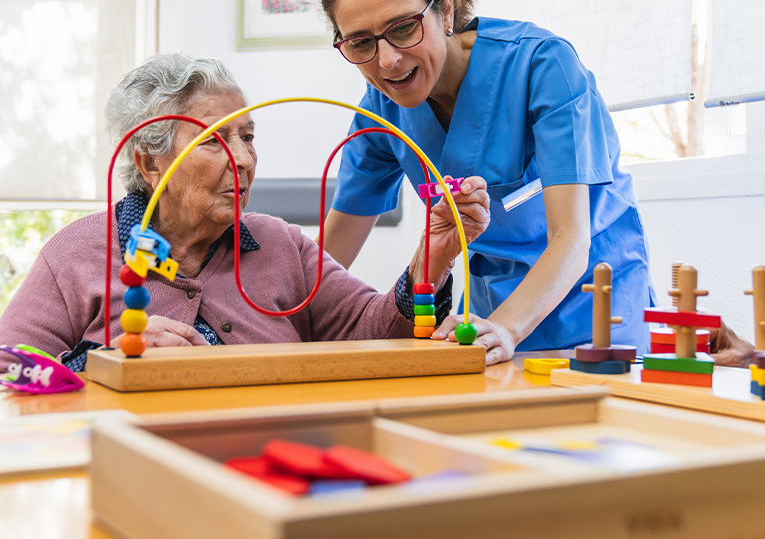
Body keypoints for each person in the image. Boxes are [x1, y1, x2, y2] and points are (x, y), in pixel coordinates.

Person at [0, 54, 489, 369]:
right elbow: (10, 372)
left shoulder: (282, 245)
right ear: (150, 163)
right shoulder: (75, 254)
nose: (244, 158)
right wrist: (103, 360)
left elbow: (376, 332)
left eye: (248, 137)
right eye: (215, 140)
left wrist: (431, 258)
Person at [318, 0, 658, 365]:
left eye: (403, 28)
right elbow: (325, 265)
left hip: (595, 314)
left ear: (445, 8)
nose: (387, 60)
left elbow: (571, 238)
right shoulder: (381, 114)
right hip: (489, 319)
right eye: (361, 43)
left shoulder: (542, 66)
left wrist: (506, 328)